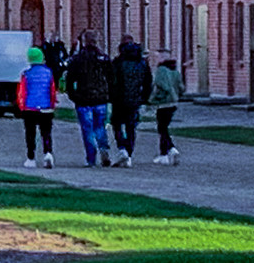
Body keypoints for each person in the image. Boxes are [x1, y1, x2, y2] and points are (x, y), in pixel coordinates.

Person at [61, 34, 115, 166]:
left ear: (84, 42)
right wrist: (109, 94)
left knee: (87, 129)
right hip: (101, 98)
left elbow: (70, 80)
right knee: (100, 127)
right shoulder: (104, 58)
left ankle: (91, 158)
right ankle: (103, 148)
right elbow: (111, 78)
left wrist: (73, 96)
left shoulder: (78, 59)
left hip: (83, 99)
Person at [109, 37, 152, 167]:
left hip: (119, 100)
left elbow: (112, 81)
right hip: (135, 100)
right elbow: (147, 83)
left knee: (117, 124)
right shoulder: (142, 63)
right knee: (131, 127)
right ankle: (129, 153)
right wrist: (144, 98)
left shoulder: (118, 62)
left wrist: (111, 96)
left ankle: (122, 147)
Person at [16, 46, 59, 169]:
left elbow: (22, 91)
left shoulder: (26, 74)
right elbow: (52, 90)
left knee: (30, 133)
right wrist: (52, 104)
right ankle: (48, 153)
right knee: (46, 132)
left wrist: (21, 105)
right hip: (46, 107)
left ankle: (31, 158)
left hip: (30, 107)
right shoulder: (48, 73)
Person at [150, 56, 184, 165]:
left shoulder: (160, 71)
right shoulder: (176, 73)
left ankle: (165, 153)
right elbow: (181, 88)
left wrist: (152, 98)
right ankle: (169, 150)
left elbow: (159, 85)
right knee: (164, 127)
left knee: (162, 128)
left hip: (162, 103)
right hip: (173, 103)